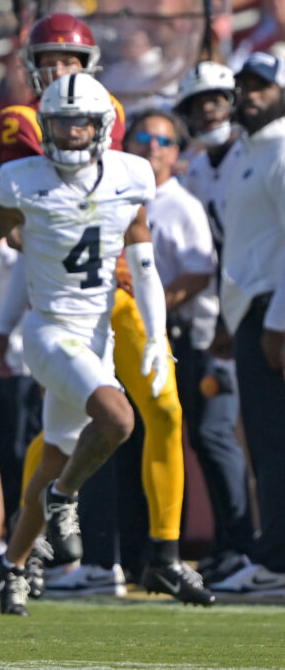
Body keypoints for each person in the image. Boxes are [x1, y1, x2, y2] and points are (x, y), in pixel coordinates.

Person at [0, 73, 213, 616]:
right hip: (49, 331)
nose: (71, 132)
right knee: (119, 420)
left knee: (54, 453)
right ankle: (65, 499)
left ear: (102, 125)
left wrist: (156, 336)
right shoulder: (22, 179)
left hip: (98, 335)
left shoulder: (130, 176)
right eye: (60, 122)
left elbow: (146, 264)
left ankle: (10, 564)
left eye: (81, 121)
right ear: (45, 125)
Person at [173, 62, 256, 586]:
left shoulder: (259, 156)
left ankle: (245, 547)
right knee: (210, 434)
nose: (208, 109)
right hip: (212, 322)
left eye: (217, 99)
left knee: (218, 432)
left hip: (249, 313)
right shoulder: (199, 171)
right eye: (197, 102)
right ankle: (234, 547)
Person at [211, 52, 285, 593]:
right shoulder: (247, 151)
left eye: (262, 85)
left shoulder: (282, 148)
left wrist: (278, 321)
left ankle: (278, 563)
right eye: (244, 84)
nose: (250, 94)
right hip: (252, 312)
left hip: (273, 312)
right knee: (265, 441)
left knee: (275, 443)